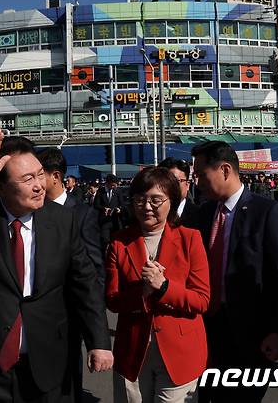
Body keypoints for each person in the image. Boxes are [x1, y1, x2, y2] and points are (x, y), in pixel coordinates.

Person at [0, 130, 113, 402]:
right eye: (27, 179)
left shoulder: (63, 220)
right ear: (0, 187)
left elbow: (84, 282)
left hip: (47, 357)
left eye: (40, 175)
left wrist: (99, 340)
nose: (39, 185)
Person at [192, 141, 278, 403]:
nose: (198, 183)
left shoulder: (268, 212)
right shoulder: (203, 214)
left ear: (225, 170)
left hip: (253, 334)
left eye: (202, 175)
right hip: (207, 329)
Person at [106, 167, 209, 402]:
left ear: (171, 201)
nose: (147, 206)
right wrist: (142, 292)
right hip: (132, 352)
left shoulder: (190, 238)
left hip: (180, 352)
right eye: (140, 200)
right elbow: (112, 299)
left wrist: (164, 287)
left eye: (156, 199)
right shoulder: (120, 242)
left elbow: (201, 300)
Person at [37, 147, 104, 402]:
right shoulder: (32, 209)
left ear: (55, 176)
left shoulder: (82, 213)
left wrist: (91, 319)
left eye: (38, 175)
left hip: (69, 313)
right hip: (37, 312)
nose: (34, 182)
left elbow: (94, 269)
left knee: (67, 380)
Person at [159, 157, 201, 230]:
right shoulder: (149, 214)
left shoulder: (201, 215)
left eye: (176, 181)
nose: (170, 186)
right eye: (165, 181)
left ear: (187, 185)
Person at [95, 174, 129, 251]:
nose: (114, 187)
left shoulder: (118, 191)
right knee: (105, 240)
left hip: (116, 220)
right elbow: (96, 204)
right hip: (104, 220)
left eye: (116, 185)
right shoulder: (101, 191)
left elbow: (122, 204)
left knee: (116, 239)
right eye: (113, 185)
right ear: (108, 183)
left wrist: (119, 209)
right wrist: (104, 209)